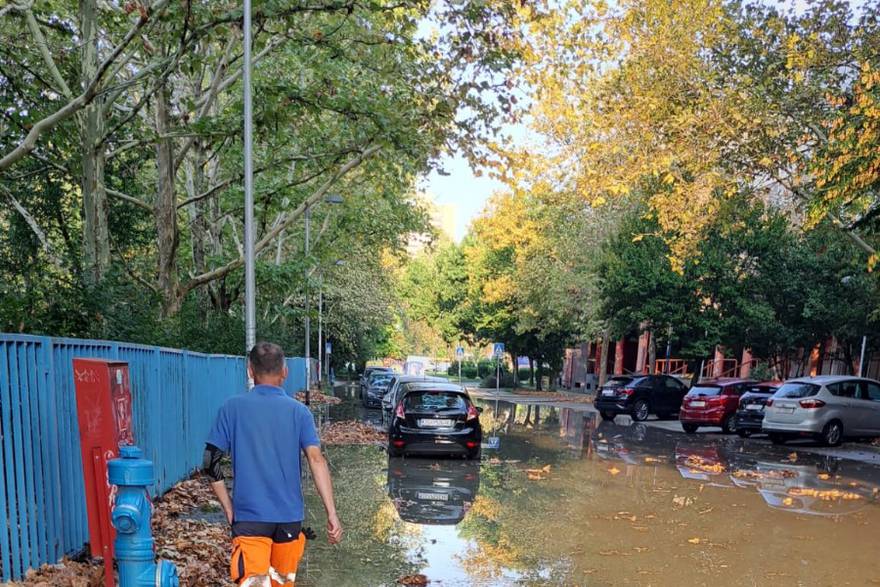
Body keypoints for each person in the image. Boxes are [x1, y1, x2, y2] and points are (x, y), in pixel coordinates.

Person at [203, 342, 342, 587]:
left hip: (249, 518)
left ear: (249, 370)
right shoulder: (300, 412)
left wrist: (227, 506)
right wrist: (331, 513)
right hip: (288, 519)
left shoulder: (231, 408)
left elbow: (210, 460)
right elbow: (316, 460)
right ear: (285, 371)